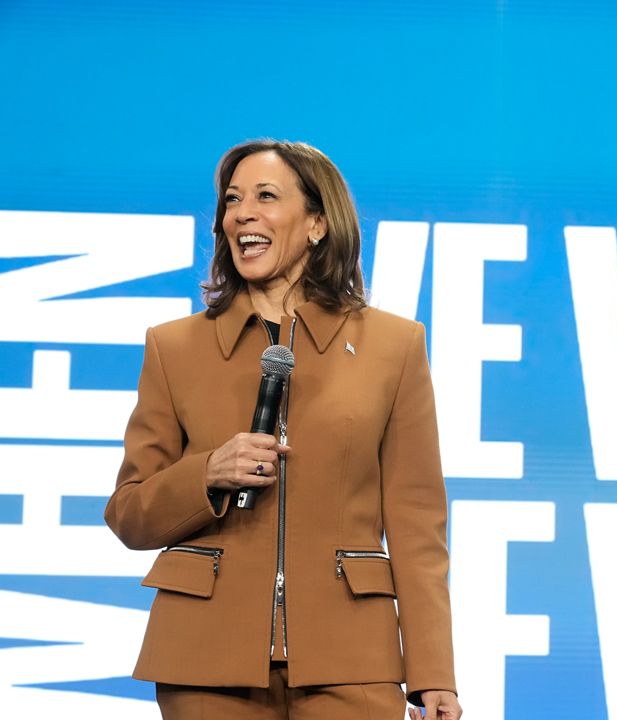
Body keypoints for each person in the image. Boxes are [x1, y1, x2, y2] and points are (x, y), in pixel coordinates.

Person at [105, 140, 462, 720]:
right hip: (204, 658)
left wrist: (433, 672)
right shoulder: (174, 348)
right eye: (231, 201)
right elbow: (129, 512)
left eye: (265, 197)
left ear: (318, 223)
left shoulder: (395, 348)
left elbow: (418, 525)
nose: (242, 213)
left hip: (352, 657)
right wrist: (207, 474)